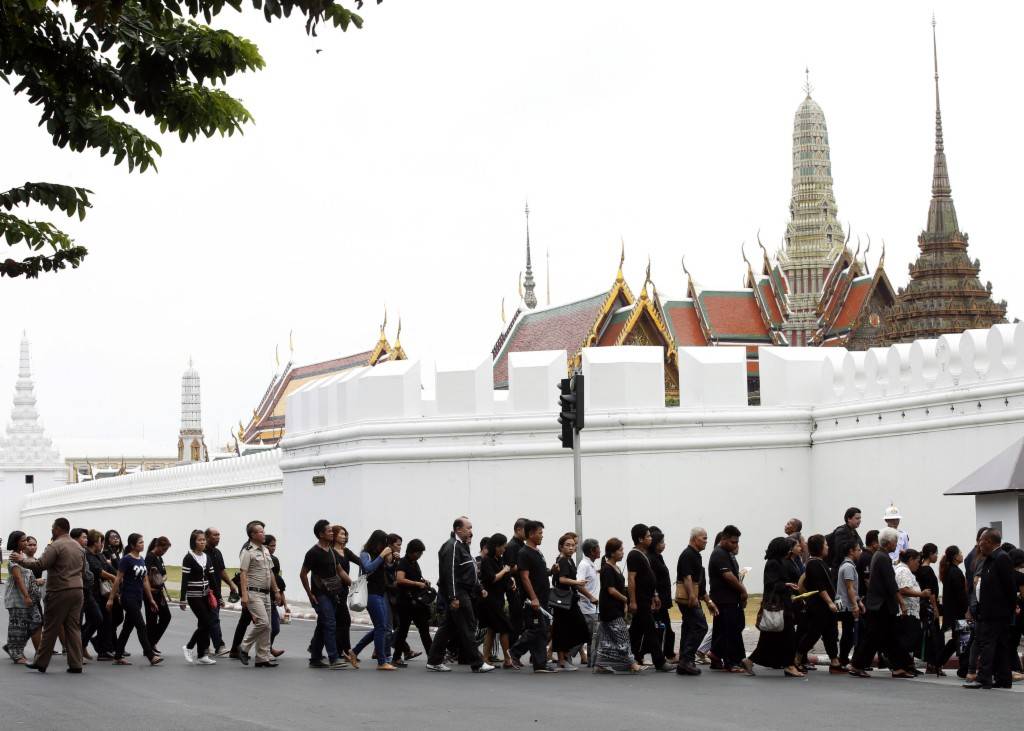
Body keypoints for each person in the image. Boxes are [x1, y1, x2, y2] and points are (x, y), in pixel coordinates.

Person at [9, 518, 86, 673]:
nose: (51, 530)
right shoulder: (78, 547)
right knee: (73, 628)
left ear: (58, 529)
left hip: (59, 591)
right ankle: (76, 664)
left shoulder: (55, 545)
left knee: (51, 627)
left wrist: (21, 560)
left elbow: (41, 564)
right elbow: (83, 570)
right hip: (77, 590)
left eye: (52, 527)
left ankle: (41, 662)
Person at [427, 516, 493, 673]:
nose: (471, 531)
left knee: (447, 627)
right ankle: (477, 663)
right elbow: (450, 574)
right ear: (458, 529)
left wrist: (479, 588)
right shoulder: (452, 546)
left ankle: (434, 660)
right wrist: (454, 597)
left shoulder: (462, 546)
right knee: (468, 626)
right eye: (468, 528)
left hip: (463, 591)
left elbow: (468, 571)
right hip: (459, 593)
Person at [849, 528, 913, 678]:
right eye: (896, 542)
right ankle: (857, 665)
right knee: (873, 637)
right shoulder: (883, 558)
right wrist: (902, 603)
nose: (897, 545)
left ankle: (898, 667)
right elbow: (891, 584)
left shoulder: (879, 555)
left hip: (880, 604)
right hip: (881, 605)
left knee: (890, 636)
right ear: (889, 543)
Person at [964, 529, 1016, 689]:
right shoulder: (990, 559)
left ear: (989, 541)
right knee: (1000, 645)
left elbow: (1010, 587)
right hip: (988, 611)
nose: (979, 544)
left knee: (988, 644)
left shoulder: (1001, 558)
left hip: (997, 612)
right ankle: (1003, 679)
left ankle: (984, 677)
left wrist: (1009, 610)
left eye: (981, 540)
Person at [746, 537, 801, 677]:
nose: (789, 550)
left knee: (769, 640)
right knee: (789, 636)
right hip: (779, 607)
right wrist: (786, 585)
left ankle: (749, 661)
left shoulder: (778, 562)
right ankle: (789, 665)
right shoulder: (773, 563)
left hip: (781, 606)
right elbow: (771, 584)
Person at [300, 519, 351, 669]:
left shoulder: (331, 551)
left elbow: (339, 570)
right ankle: (333, 658)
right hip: (320, 594)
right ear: (321, 534)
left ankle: (315, 658)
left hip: (333, 593)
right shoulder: (313, 553)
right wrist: (310, 595)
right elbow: (303, 574)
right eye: (329, 531)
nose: (332, 533)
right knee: (330, 624)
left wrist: (352, 583)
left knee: (323, 625)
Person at [106, 532, 162, 666]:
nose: (143, 544)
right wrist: (111, 599)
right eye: (140, 542)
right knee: (141, 626)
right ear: (132, 545)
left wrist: (151, 599)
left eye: (143, 542)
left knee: (127, 627)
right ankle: (150, 655)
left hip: (138, 598)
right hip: (127, 597)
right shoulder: (126, 559)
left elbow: (145, 581)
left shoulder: (141, 560)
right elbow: (118, 579)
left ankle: (118, 655)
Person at [509, 519, 556, 673]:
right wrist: (533, 598)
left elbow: (540, 573)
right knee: (536, 629)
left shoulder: (537, 551)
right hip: (531, 600)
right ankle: (514, 652)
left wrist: (552, 571)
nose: (542, 536)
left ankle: (540, 664)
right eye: (540, 533)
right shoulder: (524, 552)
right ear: (530, 534)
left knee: (541, 630)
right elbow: (524, 577)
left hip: (542, 597)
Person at [231, 532, 288, 660]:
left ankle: (262, 656)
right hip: (254, 593)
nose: (263, 533)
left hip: (266, 593)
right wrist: (244, 596)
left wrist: (277, 591)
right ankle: (243, 647)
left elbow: (271, 573)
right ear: (252, 534)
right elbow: (243, 574)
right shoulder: (247, 551)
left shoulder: (266, 552)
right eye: (260, 531)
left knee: (266, 626)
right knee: (263, 622)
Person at [593, 537, 643, 674]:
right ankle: (631, 662)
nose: (622, 552)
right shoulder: (607, 569)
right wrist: (625, 599)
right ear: (612, 552)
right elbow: (611, 590)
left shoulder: (616, 567)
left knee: (608, 637)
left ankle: (602, 664)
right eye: (620, 550)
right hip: (610, 608)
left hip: (616, 607)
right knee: (622, 635)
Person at [352, 529, 398, 670]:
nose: (384, 547)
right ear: (376, 542)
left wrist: (394, 561)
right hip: (371, 594)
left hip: (380, 593)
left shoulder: (381, 555)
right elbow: (367, 568)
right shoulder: (365, 554)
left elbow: (388, 572)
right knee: (381, 627)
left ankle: (354, 652)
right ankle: (381, 661)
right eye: (383, 543)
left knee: (382, 627)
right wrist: (381, 556)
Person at [626, 524, 670, 671]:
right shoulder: (634, 555)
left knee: (636, 631)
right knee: (650, 630)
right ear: (640, 539)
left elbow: (649, 578)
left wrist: (655, 595)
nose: (651, 539)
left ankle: (631, 656)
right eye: (648, 536)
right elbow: (631, 579)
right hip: (640, 599)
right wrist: (632, 601)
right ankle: (660, 661)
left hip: (647, 597)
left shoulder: (643, 554)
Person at [796, 534, 842, 673]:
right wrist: (829, 603)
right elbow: (820, 586)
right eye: (826, 544)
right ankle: (796, 658)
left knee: (831, 634)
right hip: (819, 606)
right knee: (813, 633)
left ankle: (834, 662)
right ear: (819, 547)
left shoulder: (819, 562)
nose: (828, 547)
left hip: (826, 607)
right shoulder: (813, 564)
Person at [674, 527, 715, 676]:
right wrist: (692, 596)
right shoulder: (688, 554)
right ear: (694, 539)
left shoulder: (696, 555)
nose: (706, 541)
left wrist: (708, 601)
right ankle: (687, 659)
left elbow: (700, 583)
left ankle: (684, 662)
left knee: (689, 626)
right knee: (700, 626)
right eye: (704, 538)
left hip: (693, 596)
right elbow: (687, 577)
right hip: (688, 598)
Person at [550, 533, 593, 671]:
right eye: (567, 545)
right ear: (561, 547)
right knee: (565, 630)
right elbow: (562, 579)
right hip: (563, 601)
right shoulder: (562, 560)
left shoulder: (570, 560)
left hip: (570, 600)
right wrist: (577, 582)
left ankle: (565, 658)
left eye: (573, 545)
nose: (571, 548)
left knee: (575, 629)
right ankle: (563, 660)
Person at [709, 525, 746, 673]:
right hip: (725, 599)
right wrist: (743, 590)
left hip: (727, 598)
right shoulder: (719, 553)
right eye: (733, 542)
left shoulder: (726, 552)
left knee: (723, 630)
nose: (736, 545)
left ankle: (716, 655)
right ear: (723, 539)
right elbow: (728, 576)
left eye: (737, 542)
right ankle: (730, 662)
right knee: (730, 631)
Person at [179, 529, 217, 665]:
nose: (202, 542)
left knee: (204, 625)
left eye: (203, 540)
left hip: (206, 595)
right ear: (193, 542)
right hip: (194, 597)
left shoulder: (207, 557)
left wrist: (219, 597)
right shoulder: (188, 558)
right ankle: (189, 646)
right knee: (206, 622)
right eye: (199, 540)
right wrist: (182, 598)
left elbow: (212, 578)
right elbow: (184, 580)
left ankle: (202, 655)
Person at [4, 531, 42, 664]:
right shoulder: (14, 557)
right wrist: (26, 596)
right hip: (18, 598)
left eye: (27, 540)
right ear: (16, 542)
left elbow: (26, 577)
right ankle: (16, 653)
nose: (26, 543)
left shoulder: (21, 556)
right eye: (23, 541)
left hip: (28, 598)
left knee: (36, 622)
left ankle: (12, 646)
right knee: (17, 627)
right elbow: (18, 578)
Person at [393, 538, 434, 663]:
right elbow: (400, 579)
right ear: (412, 551)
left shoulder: (414, 563)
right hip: (405, 602)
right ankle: (396, 657)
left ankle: (432, 657)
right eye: (419, 553)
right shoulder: (403, 563)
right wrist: (417, 584)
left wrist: (423, 581)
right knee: (403, 631)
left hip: (417, 602)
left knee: (424, 630)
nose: (420, 555)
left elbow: (414, 578)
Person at [477, 534, 514, 668]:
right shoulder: (487, 561)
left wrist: (511, 580)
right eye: (503, 547)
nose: (504, 549)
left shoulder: (499, 559)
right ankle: (508, 659)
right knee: (505, 627)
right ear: (496, 546)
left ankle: (485, 658)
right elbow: (491, 578)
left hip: (498, 598)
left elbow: (505, 576)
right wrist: (504, 571)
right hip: (489, 600)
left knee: (492, 629)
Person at [894, 548, 929, 675]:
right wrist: (921, 593)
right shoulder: (903, 571)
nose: (918, 564)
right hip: (907, 612)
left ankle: (907, 666)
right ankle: (900, 666)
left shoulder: (903, 569)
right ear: (910, 560)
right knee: (908, 640)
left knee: (910, 640)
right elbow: (903, 589)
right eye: (917, 561)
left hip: (910, 611)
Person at [204, 527, 237, 658]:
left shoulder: (217, 553)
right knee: (213, 619)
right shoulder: (202, 553)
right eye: (215, 535)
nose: (218, 537)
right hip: (205, 591)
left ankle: (204, 647)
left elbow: (221, 571)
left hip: (215, 591)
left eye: (219, 535)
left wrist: (231, 584)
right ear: (207, 537)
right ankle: (219, 646)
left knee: (208, 620)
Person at [331, 524, 361, 666]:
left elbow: (361, 562)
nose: (344, 536)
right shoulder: (331, 552)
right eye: (342, 534)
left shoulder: (346, 552)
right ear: (334, 535)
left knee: (341, 621)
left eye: (345, 534)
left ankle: (342, 650)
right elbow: (338, 572)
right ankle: (345, 651)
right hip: (335, 590)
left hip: (344, 590)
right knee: (343, 620)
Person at [939, 545, 969, 676]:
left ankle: (937, 662)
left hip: (954, 612)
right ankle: (963, 669)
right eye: (960, 553)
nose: (962, 555)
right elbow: (960, 595)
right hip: (959, 613)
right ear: (955, 557)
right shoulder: (955, 572)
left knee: (957, 639)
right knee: (962, 639)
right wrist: (967, 609)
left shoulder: (950, 571)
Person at [79, 530, 107, 662]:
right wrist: (116, 577)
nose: (102, 544)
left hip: (93, 592)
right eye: (101, 541)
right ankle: (78, 647)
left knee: (96, 619)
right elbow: (98, 571)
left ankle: (81, 645)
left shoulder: (98, 555)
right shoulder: (86, 554)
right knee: (89, 620)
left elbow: (107, 568)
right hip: (85, 591)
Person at [834, 540, 864, 669]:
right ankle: (843, 659)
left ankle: (843, 658)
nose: (860, 552)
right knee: (848, 633)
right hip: (846, 604)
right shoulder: (848, 567)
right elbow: (850, 588)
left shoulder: (846, 565)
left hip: (844, 602)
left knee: (847, 631)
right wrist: (855, 605)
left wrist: (858, 601)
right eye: (858, 549)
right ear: (851, 551)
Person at [648, 528, 676, 662]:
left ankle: (666, 653)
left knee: (664, 626)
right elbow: (652, 580)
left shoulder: (659, 557)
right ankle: (665, 654)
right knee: (663, 627)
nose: (664, 544)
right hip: (657, 599)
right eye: (661, 542)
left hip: (663, 598)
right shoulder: (651, 559)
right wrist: (656, 595)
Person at [916, 543, 944, 675]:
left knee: (928, 636)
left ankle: (931, 664)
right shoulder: (928, 570)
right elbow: (931, 592)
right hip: (928, 606)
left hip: (922, 605)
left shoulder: (919, 569)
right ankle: (933, 664)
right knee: (934, 636)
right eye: (936, 553)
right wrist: (935, 609)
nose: (937, 556)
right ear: (930, 554)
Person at [576, 537, 602, 668]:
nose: (600, 550)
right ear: (592, 550)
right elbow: (579, 585)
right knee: (588, 636)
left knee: (591, 636)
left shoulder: (591, 564)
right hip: (587, 607)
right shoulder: (584, 565)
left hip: (593, 608)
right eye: (598, 548)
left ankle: (592, 661)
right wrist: (591, 597)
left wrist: (598, 572)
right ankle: (562, 655)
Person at [144, 536, 172, 654]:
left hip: (159, 592)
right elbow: (145, 576)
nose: (164, 552)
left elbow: (164, 574)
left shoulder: (159, 558)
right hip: (151, 592)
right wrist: (151, 586)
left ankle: (151, 642)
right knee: (152, 620)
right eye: (164, 549)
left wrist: (161, 579)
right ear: (158, 546)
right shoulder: (150, 557)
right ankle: (149, 646)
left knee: (166, 616)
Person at [504, 518, 527, 645]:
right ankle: (510, 652)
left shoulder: (522, 545)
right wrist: (526, 566)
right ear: (518, 530)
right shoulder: (512, 546)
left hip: (522, 588)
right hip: (514, 589)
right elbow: (509, 568)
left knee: (522, 622)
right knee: (516, 622)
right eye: (526, 530)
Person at [828, 507, 863, 572]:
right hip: (840, 569)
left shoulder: (853, 531)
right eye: (857, 518)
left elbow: (860, 546)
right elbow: (841, 552)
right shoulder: (841, 532)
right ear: (849, 519)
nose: (859, 521)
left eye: (860, 518)